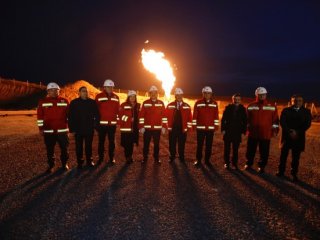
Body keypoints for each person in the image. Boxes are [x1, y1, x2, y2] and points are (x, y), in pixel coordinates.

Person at [276, 94, 312, 181]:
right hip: (287, 136)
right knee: (283, 155)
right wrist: (290, 131)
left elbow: (307, 124)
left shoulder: (306, 111)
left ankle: (294, 174)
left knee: (296, 157)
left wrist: (297, 132)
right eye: (295, 100)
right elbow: (282, 122)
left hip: (298, 137)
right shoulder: (286, 110)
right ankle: (281, 171)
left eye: (299, 100)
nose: (297, 102)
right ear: (291, 101)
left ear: (302, 102)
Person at [244, 87, 279, 173]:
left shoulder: (272, 107)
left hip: (265, 133)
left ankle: (262, 166)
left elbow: (275, 120)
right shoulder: (250, 106)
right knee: (250, 150)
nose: (262, 96)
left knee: (264, 151)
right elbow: (246, 119)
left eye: (263, 94)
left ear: (266, 95)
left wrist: (275, 130)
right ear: (257, 95)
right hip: (253, 133)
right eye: (260, 95)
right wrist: (246, 129)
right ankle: (248, 163)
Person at [37, 82, 70, 173]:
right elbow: (40, 117)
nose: (54, 92)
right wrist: (41, 129)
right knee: (50, 150)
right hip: (49, 131)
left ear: (59, 91)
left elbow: (70, 115)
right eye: (51, 90)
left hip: (62, 130)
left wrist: (71, 127)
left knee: (64, 149)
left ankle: (64, 164)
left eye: (56, 90)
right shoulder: (42, 102)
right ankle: (51, 166)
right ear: (48, 91)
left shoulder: (65, 101)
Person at [68, 86, 100, 169]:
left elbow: (97, 115)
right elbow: (70, 117)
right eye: (83, 91)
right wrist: (72, 129)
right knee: (79, 147)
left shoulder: (92, 102)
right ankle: (80, 162)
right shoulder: (74, 103)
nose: (85, 92)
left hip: (89, 129)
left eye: (86, 91)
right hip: (78, 129)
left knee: (88, 146)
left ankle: (89, 161)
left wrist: (96, 127)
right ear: (79, 93)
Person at [139, 86, 167, 163]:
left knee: (157, 145)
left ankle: (156, 158)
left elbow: (164, 116)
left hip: (157, 129)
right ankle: (145, 158)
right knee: (146, 145)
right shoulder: (145, 103)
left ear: (157, 94)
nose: (154, 94)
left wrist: (164, 126)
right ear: (150, 94)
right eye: (152, 93)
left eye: (155, 93)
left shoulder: (161, 103)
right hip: (147, 129)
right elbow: (141, 116)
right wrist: (141, 127)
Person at [192, 86, 219, 166]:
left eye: (209, 93)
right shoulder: (198, 103)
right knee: (199, 145)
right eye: (206, 93)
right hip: (200, 129)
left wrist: (216, 126)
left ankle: (207, 161)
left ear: (211, 94)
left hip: (210, 129)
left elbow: (216, 116)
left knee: (209, 146)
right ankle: (198, 160)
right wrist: (194, 126)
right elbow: (195, 116)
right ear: (203, 94)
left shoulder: (214, 104)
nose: (207, 95)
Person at [95, 79, 120, 165]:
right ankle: (100, 158)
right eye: (108, 87)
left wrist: (119, 122)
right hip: (102, 125)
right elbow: (96, 111)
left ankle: (111, 158)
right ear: (104, 87)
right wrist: (96, 123)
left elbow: (118, 111)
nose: (110, 88)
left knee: (111, 142)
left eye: (111, 87)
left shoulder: (116, 97)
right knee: (101, 142)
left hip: (112, 125)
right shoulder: (98, 96)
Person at [165, 88, 192, 162]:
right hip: (172, 128)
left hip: (182, 129)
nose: (179, 96)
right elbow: (165, 116)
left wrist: (189, 128)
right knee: (172, 143)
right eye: (177, 95)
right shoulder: (170, 105)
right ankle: (172, 156)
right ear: (175, 96)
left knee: (181, 143)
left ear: (182, 96)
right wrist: (165, 126)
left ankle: (181, 156)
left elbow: (190, 118)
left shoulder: (187, 106)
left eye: (180, 95)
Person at [221, 93, 247, 169]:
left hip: (237, 132)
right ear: (232, 100)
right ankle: (226, 163)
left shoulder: (243, 109)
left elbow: (245, 120)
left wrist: (244, 130)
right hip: (228, 131)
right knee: (227, 149)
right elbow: (223, 119)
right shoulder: (228, 107)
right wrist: (223, 129)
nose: (237, 101)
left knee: (235, 149)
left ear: (240, 100)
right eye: (235, 99)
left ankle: (234, 164)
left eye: (238, 99)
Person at [118, 90, 140, 164]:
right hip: (126, 128)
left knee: (131, 143)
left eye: (134, 96)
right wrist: (129, 119)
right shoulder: (123, 105)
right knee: (126, 143)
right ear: (128, 97)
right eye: (131, 96)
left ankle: (130, 156)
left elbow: (140, 116)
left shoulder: (138, 105)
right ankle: (127, 157)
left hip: (134, 129)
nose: (132, 98)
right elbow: (120, 116)